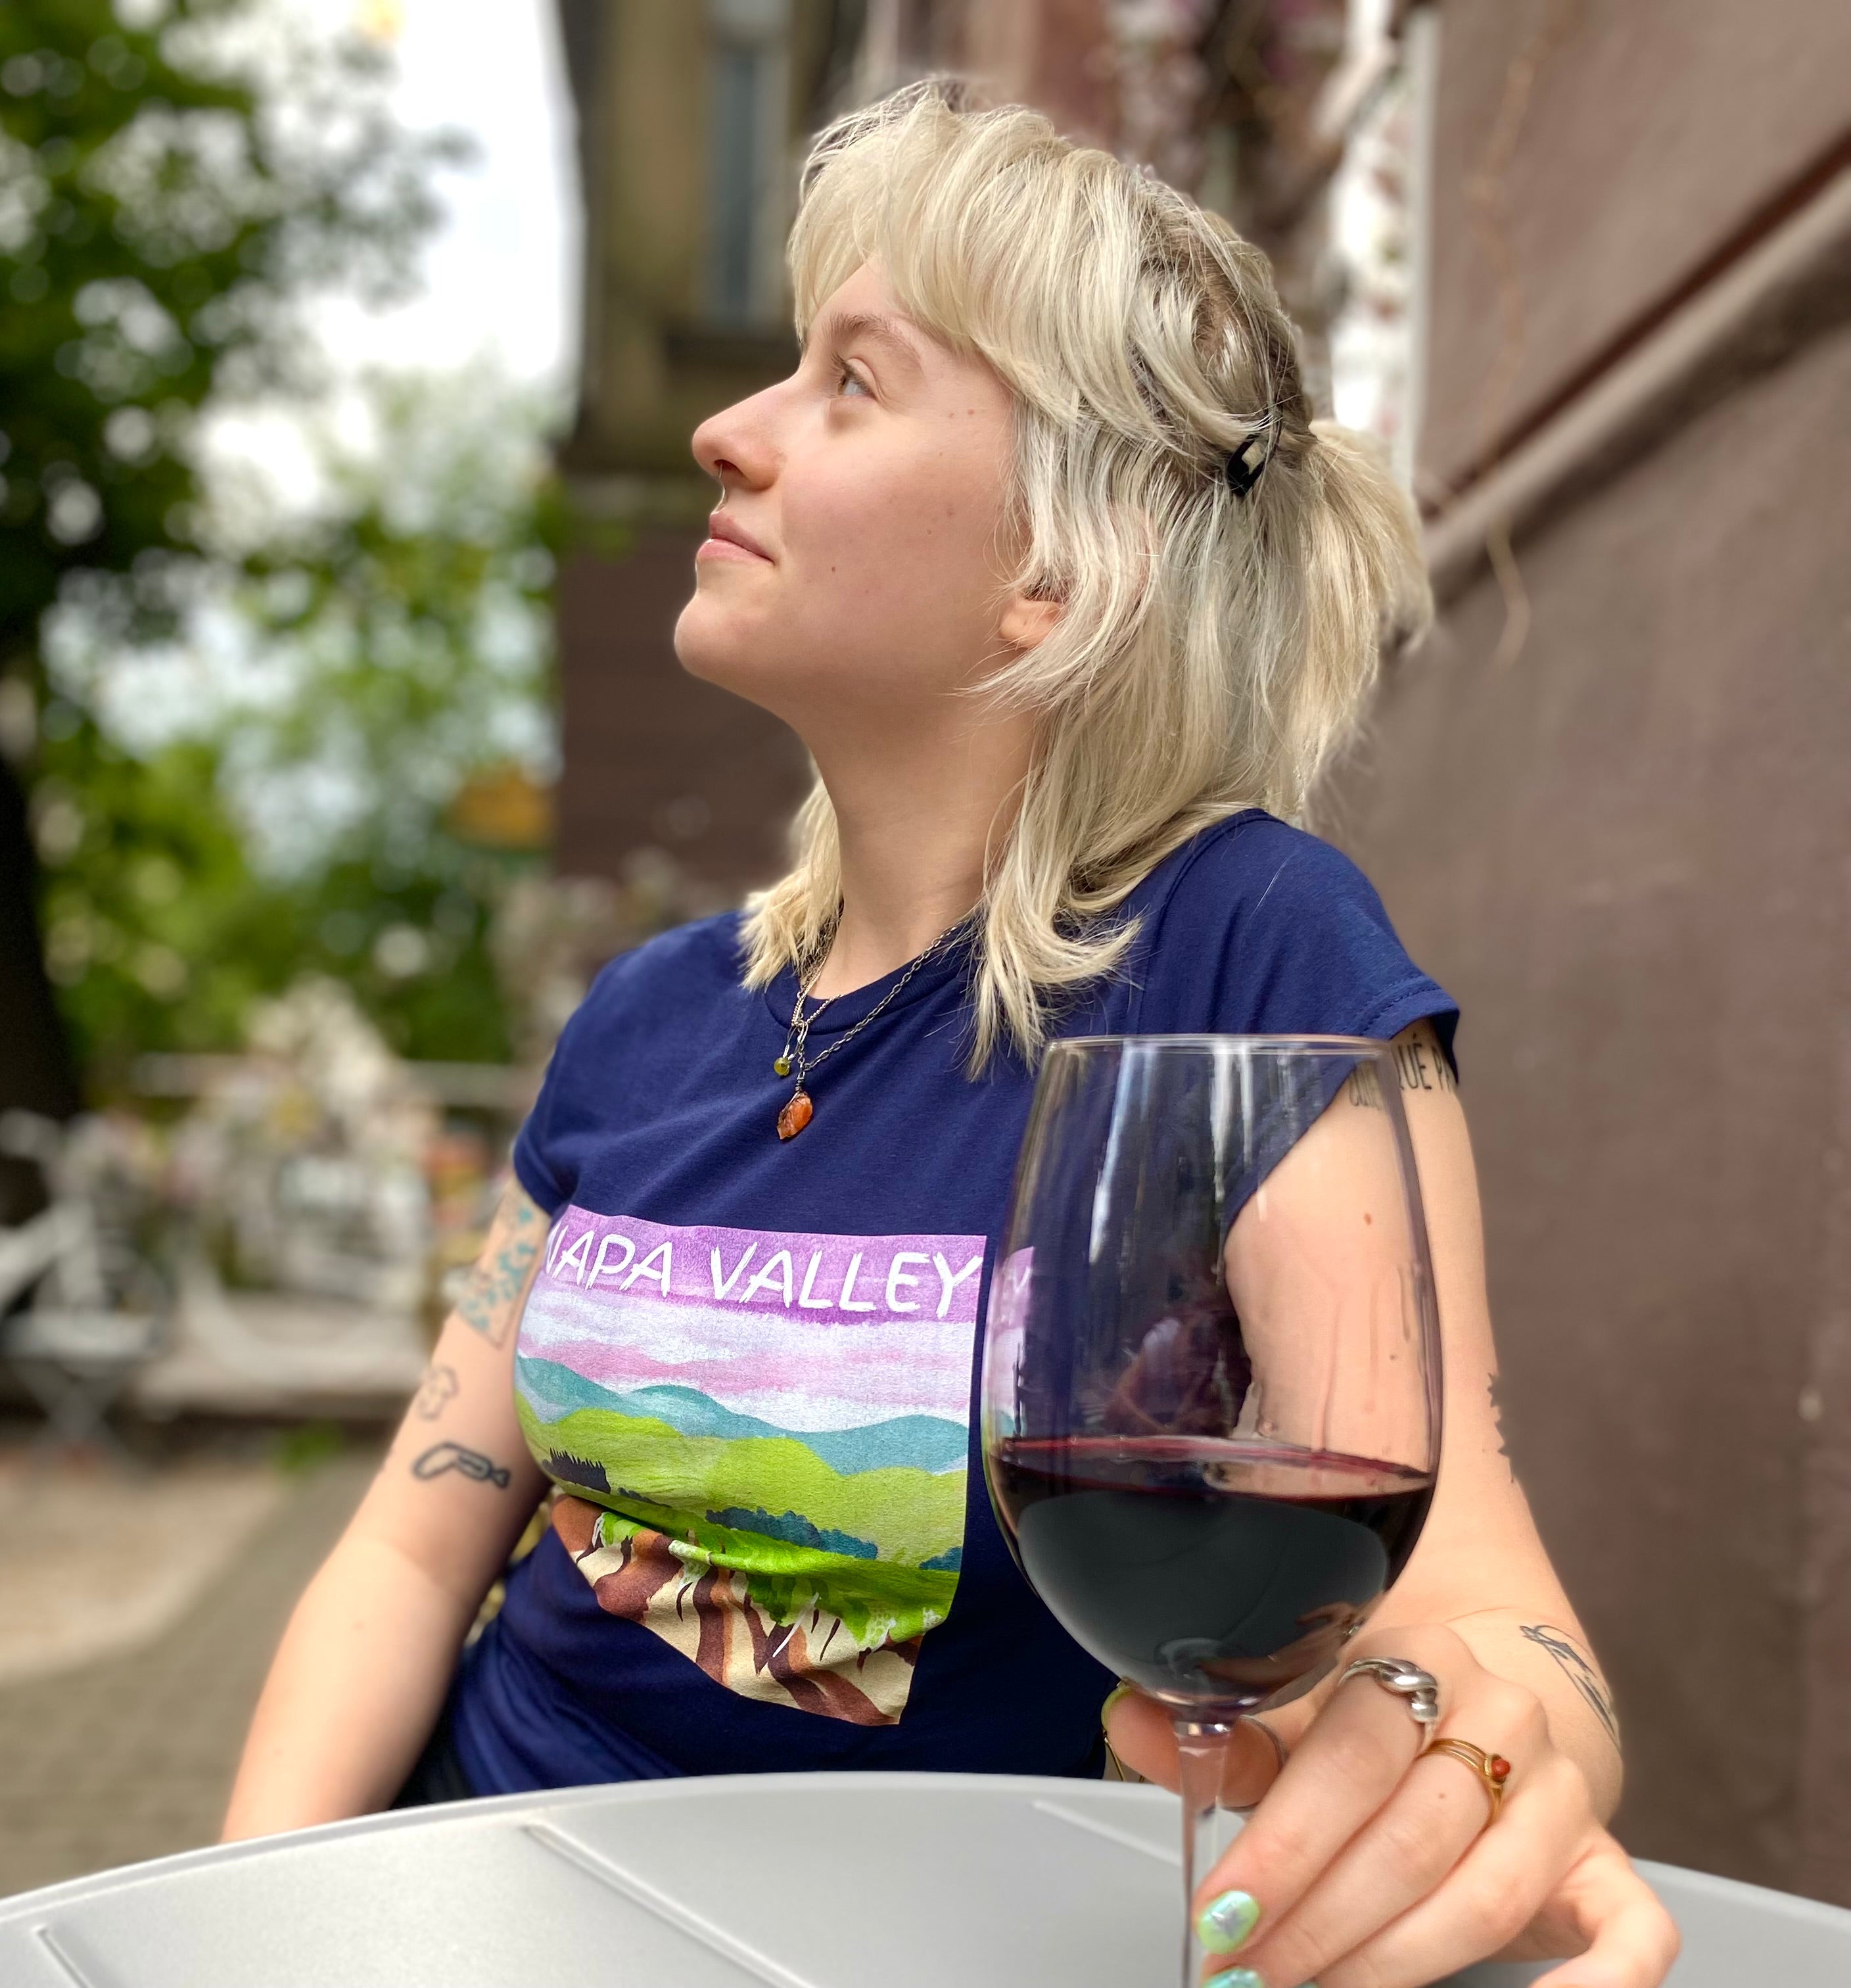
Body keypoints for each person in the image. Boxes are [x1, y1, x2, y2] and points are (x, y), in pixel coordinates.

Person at [225, 85, 1677, 1988]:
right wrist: (241, 1926)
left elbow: (1480, 1603)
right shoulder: (649, 1016)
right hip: (477, 1898)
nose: (727, 432)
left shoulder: (1244, 949)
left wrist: (1471, 1737)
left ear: (1055, 571)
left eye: (851, 380)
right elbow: (415, 1550)